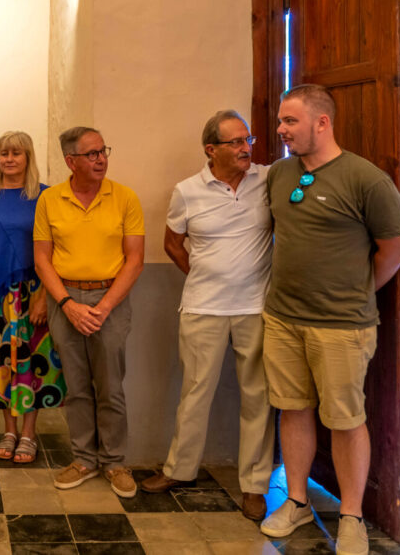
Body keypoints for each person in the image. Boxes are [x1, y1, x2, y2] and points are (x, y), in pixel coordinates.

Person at [258, 85, 400, 555]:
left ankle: (351, 516)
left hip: (342, 326)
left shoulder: (367, 180)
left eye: (290, 121)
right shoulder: (280, 174)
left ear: (322, 123)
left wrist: (356, 292)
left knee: (345, 420)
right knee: (292, 408)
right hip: (283, 318)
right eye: (280, 121)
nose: (281, 130)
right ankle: (297, 501)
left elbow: (395, 249)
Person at [139, 110, 274, 521]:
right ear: (211, 150)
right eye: (236, 142)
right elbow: (172, 243)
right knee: (195, 392)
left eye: (248, 140)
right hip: (202, 307)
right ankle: (179, 470)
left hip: (256, 308)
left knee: (259, 397)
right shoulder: (187, 191)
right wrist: (202, 274)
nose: (246, 148)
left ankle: (254, 486)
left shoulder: (268, 179)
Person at [34, 126, 145, 498]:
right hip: (64, 298)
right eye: (92, 154)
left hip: (110, 298)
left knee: (110, 386)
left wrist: (103, 307)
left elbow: (135, 260)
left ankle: (114, 462)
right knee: (77, 386)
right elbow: (42, 259)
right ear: (71, 161)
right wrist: (67, 305)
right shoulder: (50, 199)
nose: (101, 159)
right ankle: (83, 459)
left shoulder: (125, 197)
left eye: (103, 151)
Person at [0, 131, 65, 464]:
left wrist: (45, 297)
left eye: (16, 153)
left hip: (33, 293)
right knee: (1, 362)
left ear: (28, 157)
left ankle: (28, 433)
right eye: (4, 153)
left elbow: (56, 249)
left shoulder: (46, 196)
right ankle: (8, 430)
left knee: (31, 363)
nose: (9, 159)